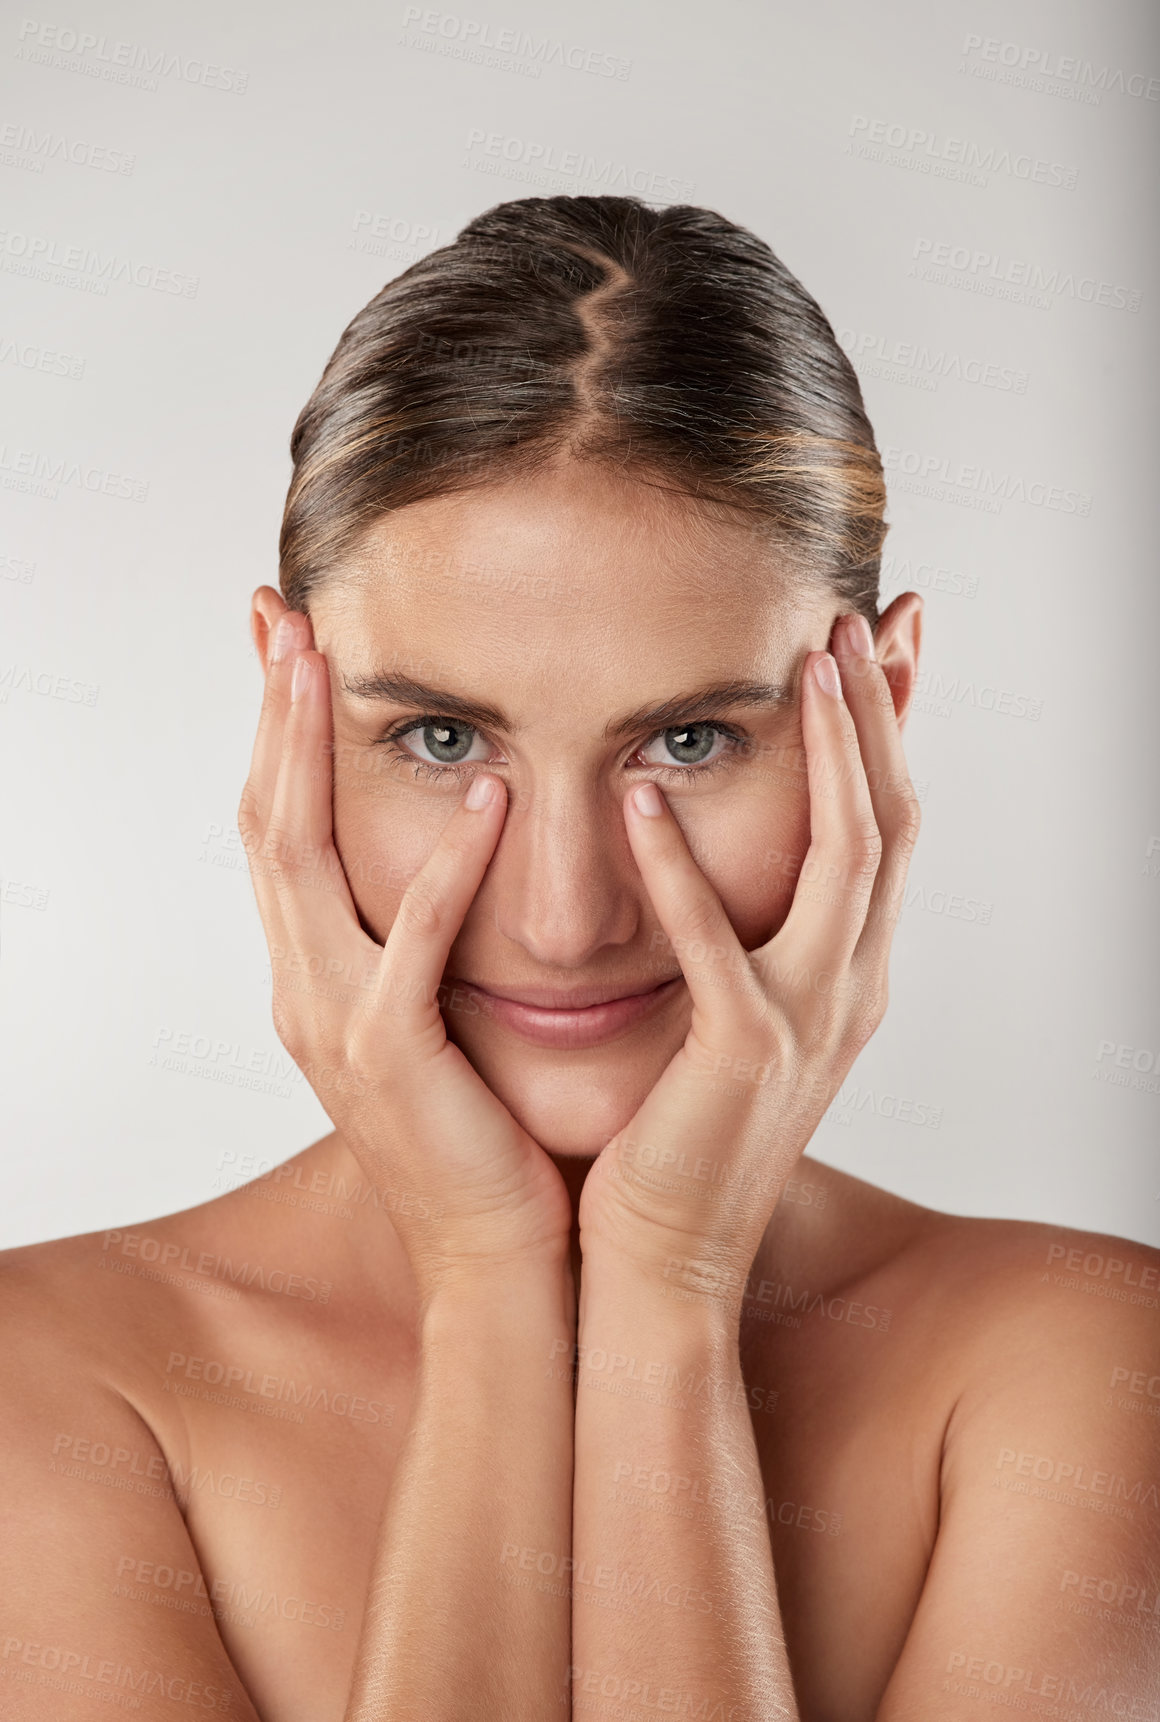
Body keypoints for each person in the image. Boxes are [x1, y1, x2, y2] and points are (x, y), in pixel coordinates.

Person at [2, 194, 1156, 1722]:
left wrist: (666, 1296)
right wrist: (491, 1282)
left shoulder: (1089, 1372)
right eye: (437, 735)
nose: (564, 914)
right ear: (287, 717)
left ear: (879, 708)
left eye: (688, 741)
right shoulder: (53, 1394)